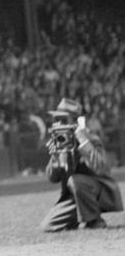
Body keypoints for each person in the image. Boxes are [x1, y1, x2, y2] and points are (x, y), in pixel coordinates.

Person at [40, 98, 123, 232]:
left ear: (76, 121)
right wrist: (55, 157)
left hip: (99, 193)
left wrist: (82, 139)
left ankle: (95, 221)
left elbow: (100, 167)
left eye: (63, 119)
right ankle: (79, 218)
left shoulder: (91, 139)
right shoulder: (61, 142)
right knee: (48, 226)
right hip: (77, 196)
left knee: (75, 181)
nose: (59, 123)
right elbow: (52, 178)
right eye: (57, 119)